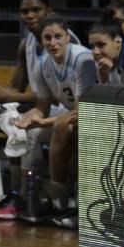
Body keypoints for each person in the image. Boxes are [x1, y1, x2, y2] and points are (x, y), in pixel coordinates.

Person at [12, 15, 96, 228]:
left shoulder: (82, 59)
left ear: (68, 37)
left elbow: (80, 110)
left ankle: (65, 202)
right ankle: (30, 198)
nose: (53, 42)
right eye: (47, 38)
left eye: (58, 36)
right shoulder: (43, 64)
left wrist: (43, 121)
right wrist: (26, 119)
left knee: (61, 127)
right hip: (68, 116)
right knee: (28, 133)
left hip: (90, 116)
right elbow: (41, 108)